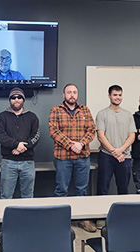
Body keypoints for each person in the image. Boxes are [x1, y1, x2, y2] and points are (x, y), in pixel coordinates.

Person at [49, 83, 96, 232]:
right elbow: (54, 131)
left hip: (83, 157)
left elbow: (92, 130)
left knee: (82, 189)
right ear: (63, 95)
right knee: (61, 189)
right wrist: (70, 145)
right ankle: (60, 220)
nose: (72, 95)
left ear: (77, 95)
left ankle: (83, 219)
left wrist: (81, 144)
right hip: (63, 157)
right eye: (69, 92)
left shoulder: (85, 110)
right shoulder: (56, 110)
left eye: (74, 92)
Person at [0, 87, 40, 199]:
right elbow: (1, 136)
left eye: (19, 97)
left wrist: (22, 147)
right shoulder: (2, 116)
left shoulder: (32, 117)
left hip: (28, 163)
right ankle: (5, 217)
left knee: (28, 196)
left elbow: (36, 135)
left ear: (23, 100)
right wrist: (16, 144)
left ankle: (28, 217)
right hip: (8, 162)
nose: (16, 99)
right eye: (13, 97)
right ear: (10, 100)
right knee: (6, 196)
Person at [96, 84, 136, 196]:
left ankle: (122, 213)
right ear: (109, 96)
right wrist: (114, 151)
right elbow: (100, 136)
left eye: (120, 95)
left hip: (125, 157)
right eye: (115, 95)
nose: (117, 97)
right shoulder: (102, 114)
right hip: (106, 156)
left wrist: (120, 150)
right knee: (102, 189)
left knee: (123, 190)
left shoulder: (128, 115)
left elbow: (132, 136)